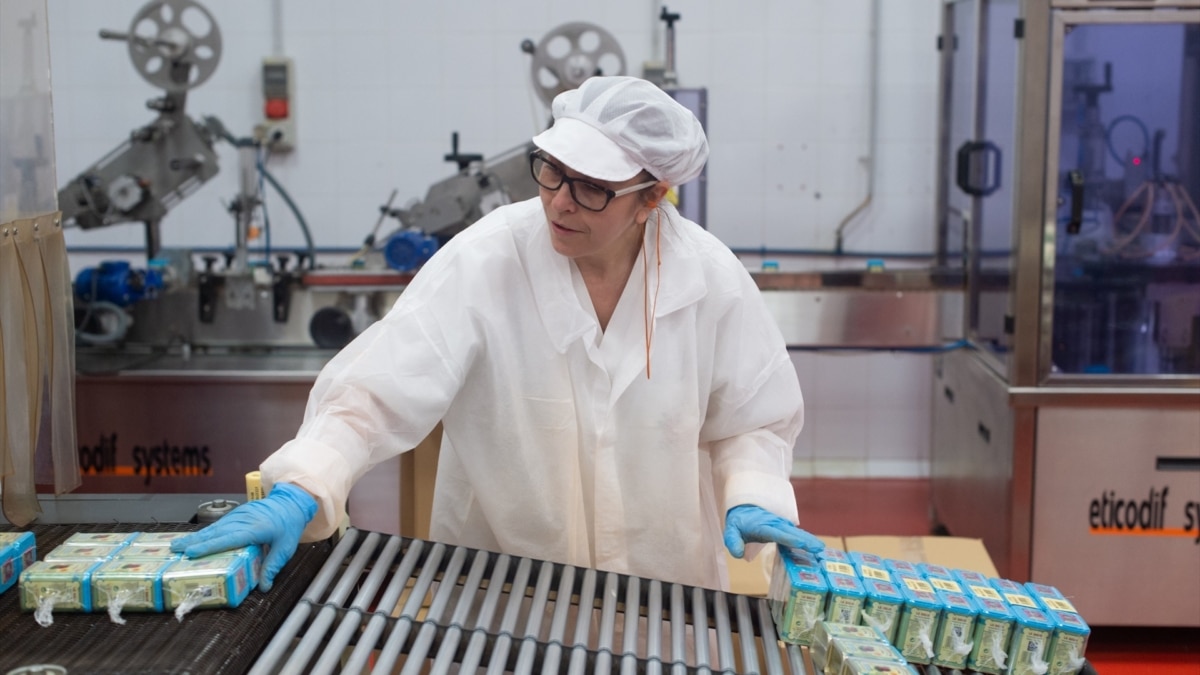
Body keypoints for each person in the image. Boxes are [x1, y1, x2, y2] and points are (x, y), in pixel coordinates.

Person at [172, 75, 824, 592]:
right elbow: (377, 390)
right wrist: (307, 480)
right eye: (552, 170)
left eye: (592, 188)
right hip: (503, 596)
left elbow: (752, 420)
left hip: (661, 600)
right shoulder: (486, 258)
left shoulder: (707, 278)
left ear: (652, 199)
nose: (561, 200)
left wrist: (753, 489)